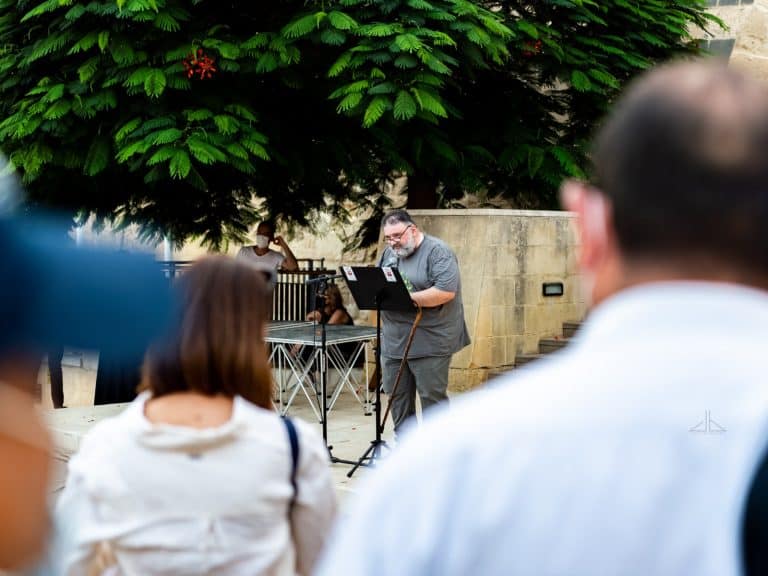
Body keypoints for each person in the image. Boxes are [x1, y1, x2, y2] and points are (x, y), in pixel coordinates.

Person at [315, 61, 768, 576]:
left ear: (588, 229)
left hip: (432, 341)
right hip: (399, 339)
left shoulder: (451, 465)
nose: (394, 243)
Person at [54, 256, 337, 575]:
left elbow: (69, 563)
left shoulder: (105, 446)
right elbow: (322, 563)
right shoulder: (293, 448)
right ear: (253, 334)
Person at [377, 209, 470, 433]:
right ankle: (406, 447)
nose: (393, 242)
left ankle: (436, 448)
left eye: (397, 236)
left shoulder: (438, 252)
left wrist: (405, 299)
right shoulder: (389, 253)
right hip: (394, 341)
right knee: (397, 397)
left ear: (413, 230)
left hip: (430, 339)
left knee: (431, 399)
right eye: (388, 238)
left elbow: (445, 292)